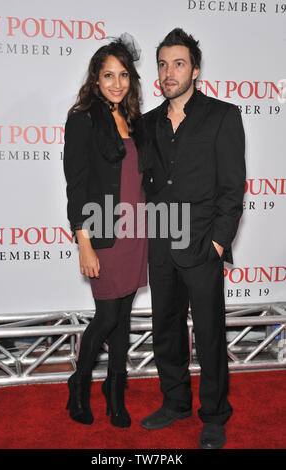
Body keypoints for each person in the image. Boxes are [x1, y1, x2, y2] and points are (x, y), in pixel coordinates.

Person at [140, 28, 246, 449]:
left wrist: (218, 244)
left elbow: (232, 188)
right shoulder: (147, 123)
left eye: (178, 63)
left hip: (203, 244)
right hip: (161, 244)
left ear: (195, 70)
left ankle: (215, 413)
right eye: (163, 64)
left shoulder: (222, 115)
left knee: (208, 332)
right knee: (165, 328)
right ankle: (175, 402)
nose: (169, 72)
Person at [63, 34, 149, 428]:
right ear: (95, 79)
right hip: (104, 233)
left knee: (124, 314)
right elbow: (76, 185)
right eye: (108, 75)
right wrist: (84, 243)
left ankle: (115, 392)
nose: (117, 83)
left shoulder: (135, 119)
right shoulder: (82, 118)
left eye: (124, 75)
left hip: (138, 232)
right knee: (108, 316)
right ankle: (79, 382)